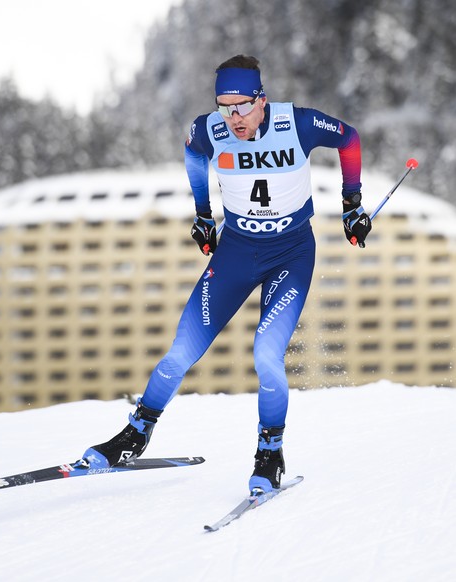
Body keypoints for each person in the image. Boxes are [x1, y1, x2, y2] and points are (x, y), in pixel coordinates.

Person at [79, 54, 372, 494]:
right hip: (237, 250)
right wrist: (203, 213)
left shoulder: (300, 123)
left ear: (262, 100)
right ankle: (135, 435)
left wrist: (352, 204)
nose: (233, 117)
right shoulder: (210, 129)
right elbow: (193, 153)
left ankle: (269, 454)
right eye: (224, 106)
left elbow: (349, 139)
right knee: (180, 351)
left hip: (290, 255)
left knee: (266, 355)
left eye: (241, 106)